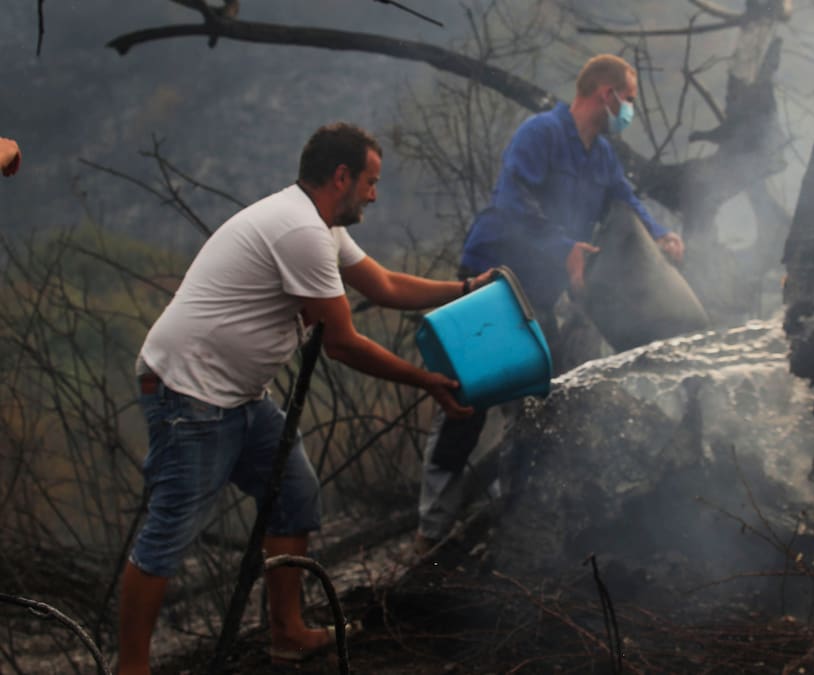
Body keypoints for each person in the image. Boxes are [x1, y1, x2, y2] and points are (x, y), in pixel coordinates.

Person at [118, 122, 491, 674]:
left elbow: (384, 286)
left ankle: (287, 633)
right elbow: (341, 343)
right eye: (370, 181)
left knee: (294, 494)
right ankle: (132, 668)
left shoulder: (322, 225)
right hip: (188, 393)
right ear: (341, 176)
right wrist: (428, 382)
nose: (374, 193)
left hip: (239, 395)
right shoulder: (301, 231)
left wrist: (463, 290)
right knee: (170, 529)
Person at [415, 54, 685, 553]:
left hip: (539, 291)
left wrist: (660, 235)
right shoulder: (540, 134)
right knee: (468, 399)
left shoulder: (601, 155)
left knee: (539, 401)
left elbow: (626, 203)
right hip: (493, 275)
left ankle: (507, 515)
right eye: (628, 100)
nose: (630, 111)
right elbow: (515, 205)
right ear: (605, 95)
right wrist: (564, 247)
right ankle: (430, 534)